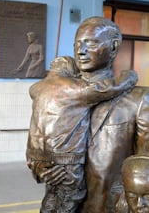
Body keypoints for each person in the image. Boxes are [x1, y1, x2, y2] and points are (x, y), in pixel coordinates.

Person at [37, 16, 149, 212]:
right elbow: (39, 140)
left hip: (109, 206)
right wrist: (41, 168)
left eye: (91, 43)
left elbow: (144, 167)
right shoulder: (57, 97)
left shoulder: (138, 100)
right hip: (64, 204)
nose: (81, 51)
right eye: (77, 44)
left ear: (114, 47)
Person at [27, 55, 137, 212]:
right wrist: (130, 76)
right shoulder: (75, 88)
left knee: (53, 195)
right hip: (64, 157)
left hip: (35, 155)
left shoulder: (36, 88)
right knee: (69, 198)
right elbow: (110, 88)